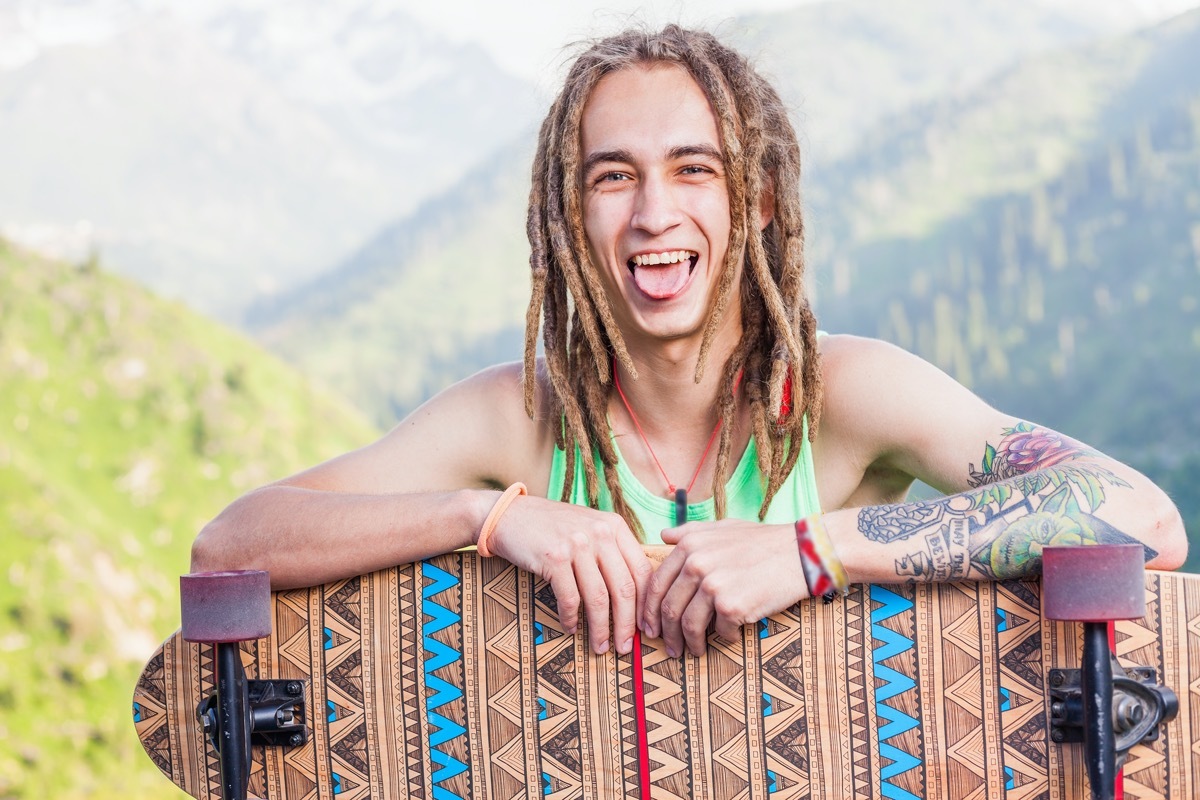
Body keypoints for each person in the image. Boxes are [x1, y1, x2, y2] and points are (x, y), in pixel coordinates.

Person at [191, 26, 1186, 663]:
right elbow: (229, 542)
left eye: (693, 169)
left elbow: (1140, 515)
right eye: (613, 176)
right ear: (569, 213)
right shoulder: (517, 416)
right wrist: (487, 516)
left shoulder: (842, 393)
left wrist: (812, 549)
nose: (653, 213)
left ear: (752, 201)